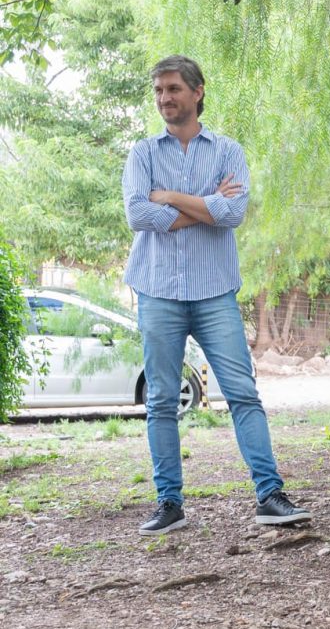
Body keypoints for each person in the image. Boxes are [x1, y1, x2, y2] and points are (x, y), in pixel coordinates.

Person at [123, 55, 310, 536]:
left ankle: (270, 496)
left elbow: (233, 214)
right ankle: (169, 504)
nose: (164, 98)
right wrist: (206, 206)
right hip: (158, 291)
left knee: (243, 394)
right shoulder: (143, 153)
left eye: (173, 89)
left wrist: (169, 197)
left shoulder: (227, 151)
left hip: (214, 294)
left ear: (197, 91)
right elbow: (138, 215)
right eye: (158, 90)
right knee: (162, 400)